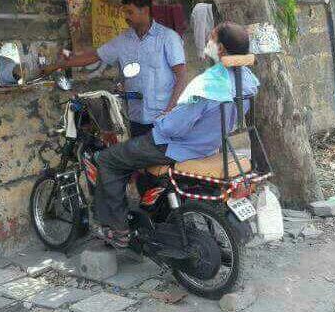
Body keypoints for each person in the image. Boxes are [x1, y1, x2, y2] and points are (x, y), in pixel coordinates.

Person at [92, 22, 260, 248]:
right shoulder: (247, 81)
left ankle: (119, 230)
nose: (207, 43)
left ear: (220, 49)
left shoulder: (208, 85)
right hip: (209, 145)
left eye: (211, 38)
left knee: (109, 159)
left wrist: (161, 120)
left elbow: (173, 128)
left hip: (175, 146)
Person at [45, 0, 187, 137]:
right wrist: (58, 65)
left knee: (166, 159)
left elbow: (181, 76)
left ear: (144, 10)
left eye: (130, 12)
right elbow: (94, 56)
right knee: (138, 159)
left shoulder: (168, 38)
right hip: (136, 118)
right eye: (124, 12)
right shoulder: (123, 41)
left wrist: (170, 110)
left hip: (164, 118)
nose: (126, 17)